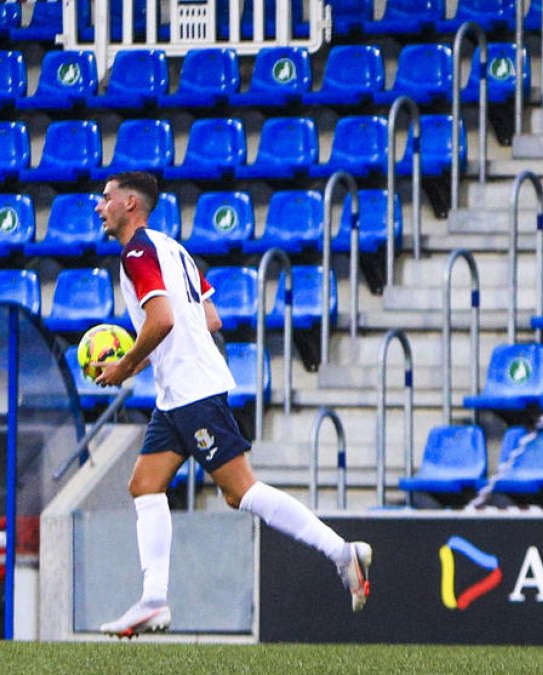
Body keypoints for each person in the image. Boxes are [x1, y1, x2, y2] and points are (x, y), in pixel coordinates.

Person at [92, 172, 373, 637]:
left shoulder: (137, 252)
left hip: (192, 391)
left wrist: (124, 366)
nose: (99, 207)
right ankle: (153, 601)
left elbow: (161, 319)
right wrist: (147, 362)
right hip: (178, 392)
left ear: (130, 204)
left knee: (241, 491)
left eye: (106, 199)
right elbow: (209, 316)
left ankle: (342, 552)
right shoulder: (173, 248)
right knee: (145, 485)